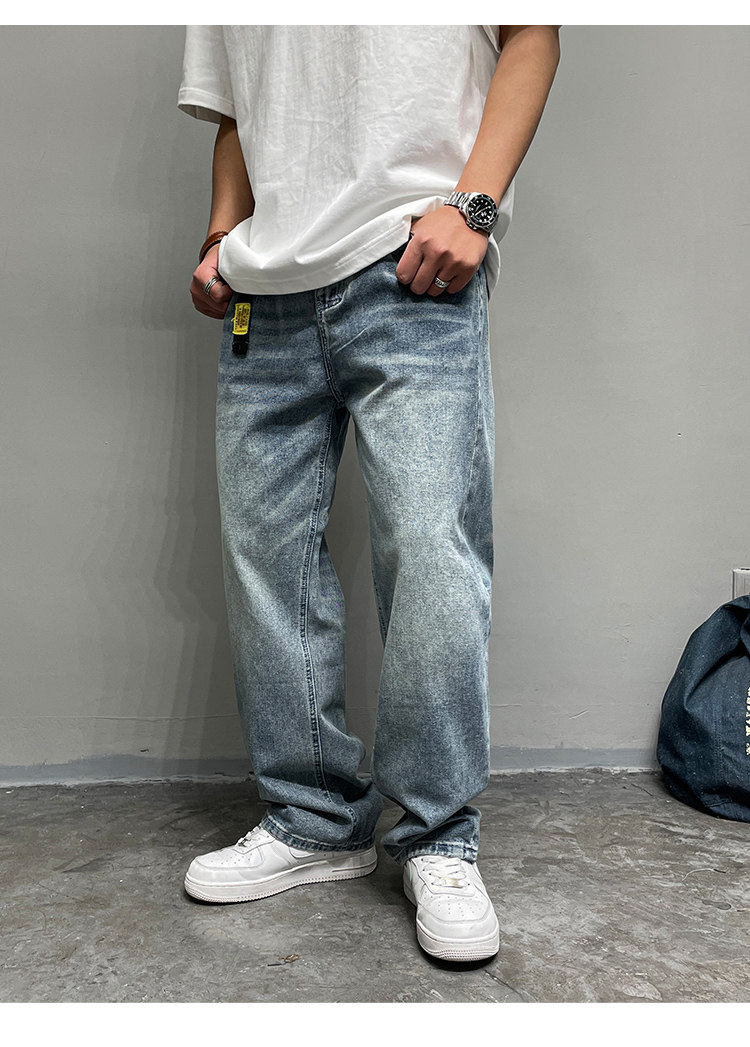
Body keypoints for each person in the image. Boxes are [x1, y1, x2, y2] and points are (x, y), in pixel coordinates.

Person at [178, 25, 560, 963]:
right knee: (266, 560)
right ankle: (314, 819)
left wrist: (475, 206)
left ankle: (439, 836)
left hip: (410, 265)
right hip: (261, 290)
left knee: (431, 551)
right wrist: (222, 232)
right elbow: (237, 110)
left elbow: (534, 34)